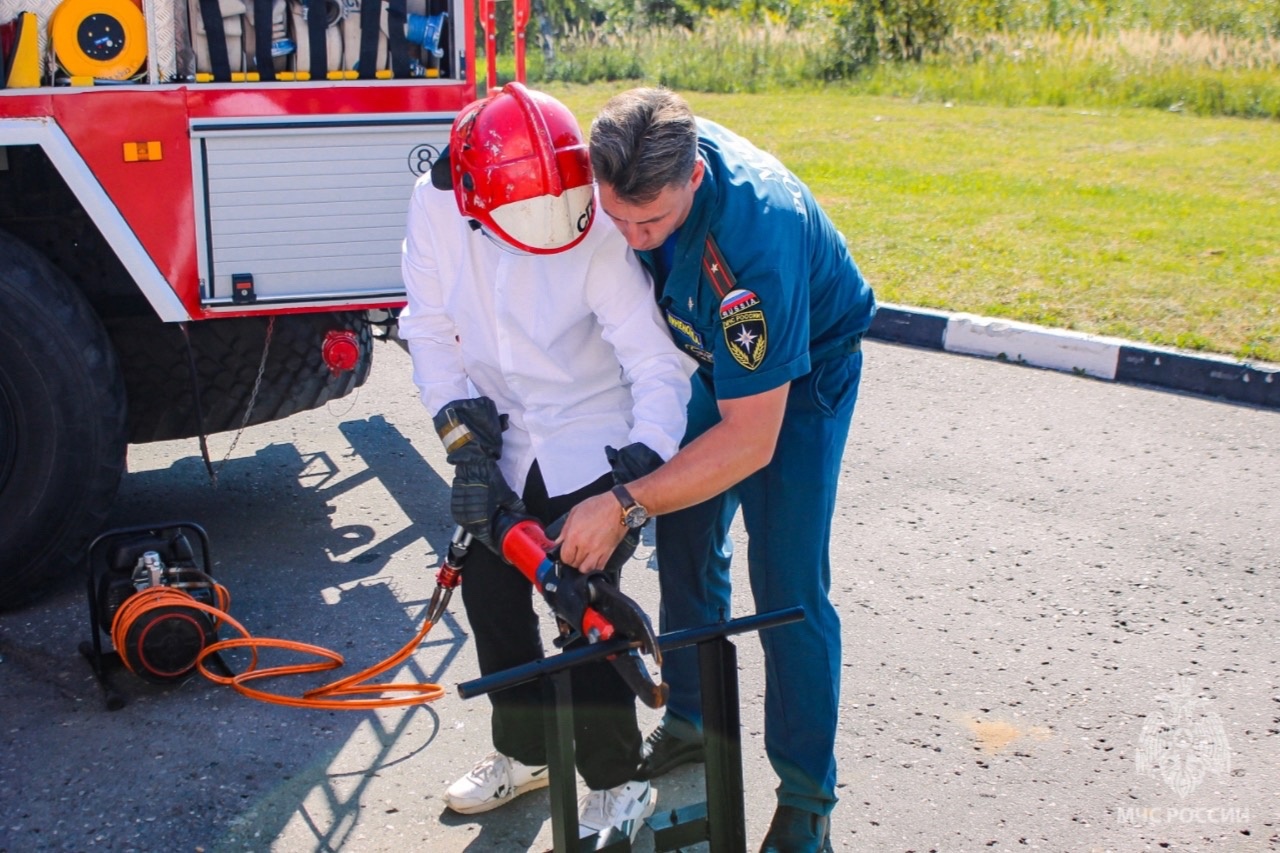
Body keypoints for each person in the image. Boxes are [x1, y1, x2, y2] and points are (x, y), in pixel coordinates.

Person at [556, 87, 876, 853]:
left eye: (653, 222)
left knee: (788, 584)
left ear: (694, 178)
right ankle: (695, 718)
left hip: (798, 385)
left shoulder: (753, 242)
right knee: (687, 536)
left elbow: (749, 440)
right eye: (619, 218)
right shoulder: (637, 162)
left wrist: (624, 501)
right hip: (708, 362)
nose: (633, 239)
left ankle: (807, 799)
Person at [397, 82, 694, 844]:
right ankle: (526, 751)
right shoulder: (435, 209)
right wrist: (458, 438)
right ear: (470, 194)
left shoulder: (591, 219)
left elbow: (656, 363)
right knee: (493, 597)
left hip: (590, 430)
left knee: (585, 610)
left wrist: (638, 469)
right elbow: (427, 327)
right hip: (496, 432)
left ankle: (615, 783)